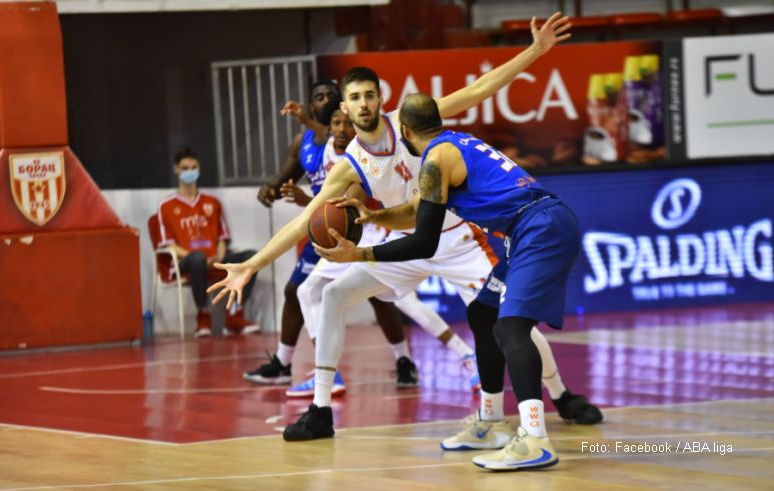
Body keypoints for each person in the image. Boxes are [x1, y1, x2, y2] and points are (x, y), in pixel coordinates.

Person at [208, 12, 576, 444]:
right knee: (333, 294)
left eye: (370, 95)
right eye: (355, 98)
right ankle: (321, 410)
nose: (364, 103)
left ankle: (562, 395)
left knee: (512, 321)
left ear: (381, 99)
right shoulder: (349, 165)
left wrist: (534, 51)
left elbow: (478, 90)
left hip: (458, 239)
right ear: (344, 108)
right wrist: (252, 263)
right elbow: (306, 221)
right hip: (405, 242)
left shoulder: (411, 121)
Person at [315, 91, 583, 471]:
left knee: (511, 328)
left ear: (405, 131)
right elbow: (416, 211)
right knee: (484, 314)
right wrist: (373, 217)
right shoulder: (454, 143)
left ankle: (535, 439)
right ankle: (492, 421)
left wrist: (360, 254)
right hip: (535, 225)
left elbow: (424, 240)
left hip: (539, 228)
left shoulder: (434, 160)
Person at [287, 102, 482, 395]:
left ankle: (462, 354)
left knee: (403, 301)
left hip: (371, 230)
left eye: (347, 123)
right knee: (309, 291)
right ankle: (330, 372)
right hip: (352, 233)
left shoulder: (363, 153)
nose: (342, 128)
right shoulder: (327, 151)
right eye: (337, 123)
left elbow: (355, 200)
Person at [244, 84, 422, 391]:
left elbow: (349, 182)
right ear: (313, 106)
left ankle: (404, 359)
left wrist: (304, 119)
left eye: (331, 96)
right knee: (298, 291)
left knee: (379, 297)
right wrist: (272, 189)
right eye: (319, 96)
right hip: (320, 225)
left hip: (356, 225)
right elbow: (286, 178)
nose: (326, 101)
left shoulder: (352, 142)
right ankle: (294, 365)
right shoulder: (305, 143)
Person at [156, 145, 259, 337]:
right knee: (197, 259)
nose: (190, 172)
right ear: (176, 169)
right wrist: (202, 258)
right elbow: (169, 245)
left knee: (252, 257)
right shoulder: (166, 205)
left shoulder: (213, 202)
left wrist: (217, 257)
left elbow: (222, 238)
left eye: (193, 167)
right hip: (186, 261)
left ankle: (234, 315)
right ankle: (202, 316)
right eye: (185, 168)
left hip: (214, 256)